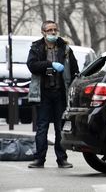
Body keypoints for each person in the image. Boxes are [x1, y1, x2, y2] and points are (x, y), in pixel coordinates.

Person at [27, 20, 79, 168]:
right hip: (43, 93)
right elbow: (31, 65)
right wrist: (50, 65)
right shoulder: (36, 47)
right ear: (43, 32)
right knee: (42, 127)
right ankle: (39, 159)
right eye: (49, 30)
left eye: (55, 30)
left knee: (59, 127)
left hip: (60, 93)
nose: (53, 32)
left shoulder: (65, 48)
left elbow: (75, 69)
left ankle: (62, 159)